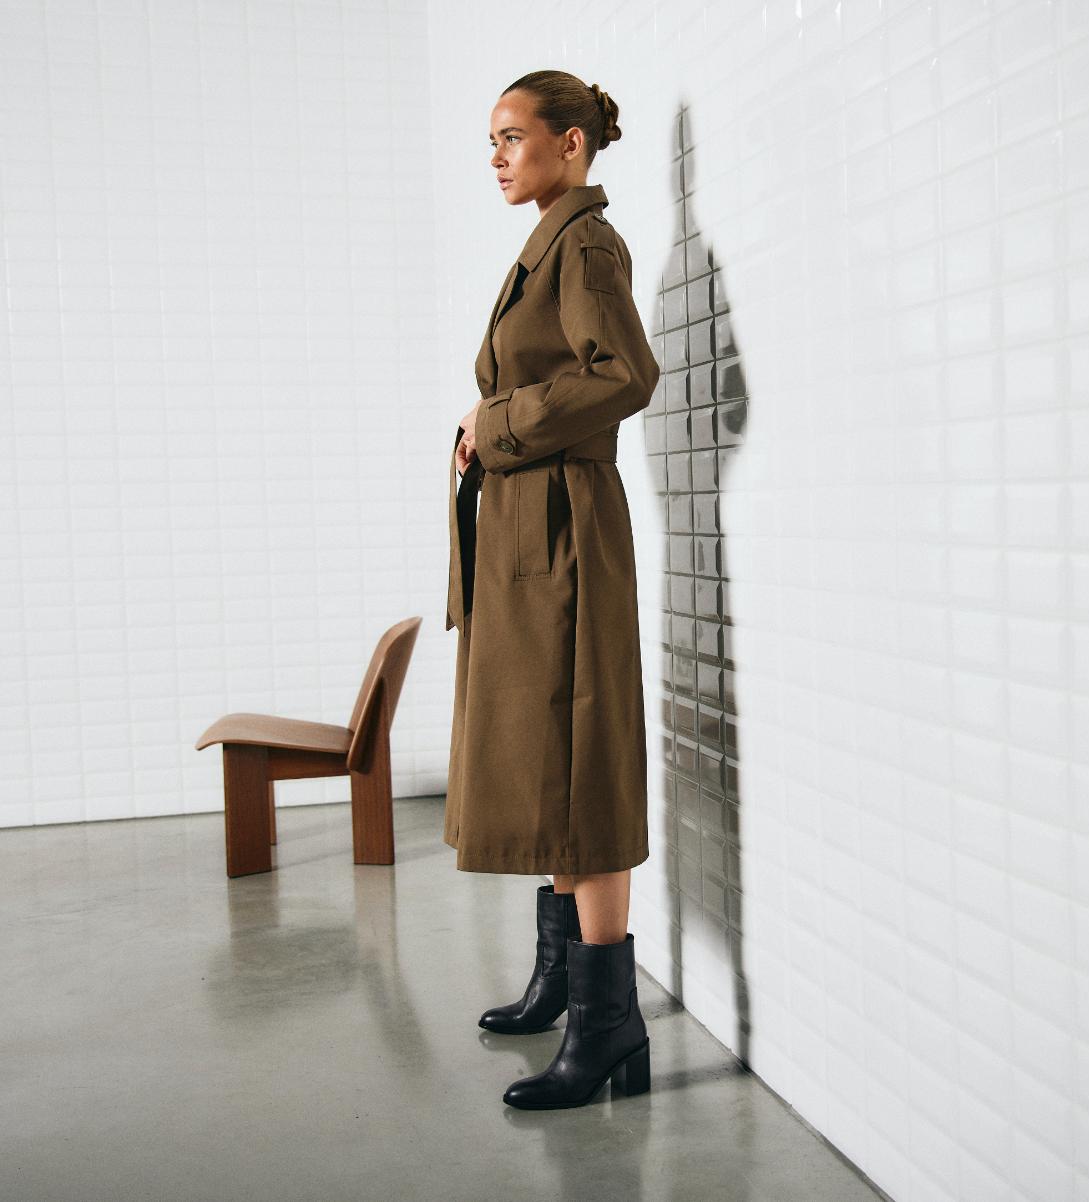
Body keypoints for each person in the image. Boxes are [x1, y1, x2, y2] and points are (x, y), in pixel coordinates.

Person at [445, 70, 660, 1110]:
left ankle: (607, 1023)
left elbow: (624, 374)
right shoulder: (552, 240)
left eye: (511, 136)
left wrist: (494, 425)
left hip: (567, 529)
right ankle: (564, 981)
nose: (496, 157)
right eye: (489, 141)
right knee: (549, 751)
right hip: (534, 525)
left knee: (584, 766)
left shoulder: (583, 245)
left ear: (569, 143)